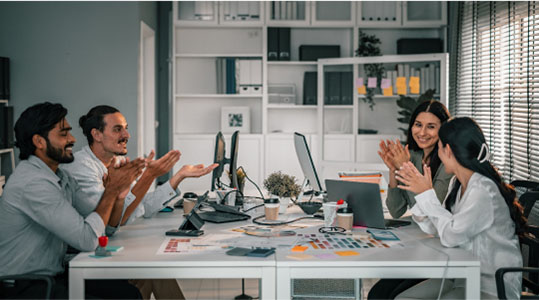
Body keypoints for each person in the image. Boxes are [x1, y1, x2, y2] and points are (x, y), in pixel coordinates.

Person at [61, 105, 217, 300]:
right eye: (118, 129)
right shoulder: (81, 168)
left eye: (126, 128)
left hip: (107, 249)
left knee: (158, 273)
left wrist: (178, 177)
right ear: (97, 134)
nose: (127, 134)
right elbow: (114, 223)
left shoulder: (117, 162)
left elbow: (141, 207)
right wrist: (149, 176)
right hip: (83, 258)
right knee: (155, 273)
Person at [0, 102, 145, 299]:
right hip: (24, 285)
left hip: (53, 275)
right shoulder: (33, 184)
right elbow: (88, 240)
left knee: (129, 293)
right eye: (63, 134)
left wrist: (118, 195)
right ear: (39, 141)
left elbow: (107, 229)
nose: (73, 139)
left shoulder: (60, 176)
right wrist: (110, 190)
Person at [394, 117, 525, 299]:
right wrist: (423, 195)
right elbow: (440, 227)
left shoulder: (483, 191)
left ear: (447, 150)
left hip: (490, 287)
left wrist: (427, 194)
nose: (437, 154)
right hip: (462, 278)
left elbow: (450, 236)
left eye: (439, 147)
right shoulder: (458, 184)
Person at [369, 100, 453, 299]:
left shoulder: (447, 163)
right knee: (378, 293)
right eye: (418, 124)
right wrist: (393, 170)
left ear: (443, 129)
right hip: (419, 244)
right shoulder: (412, 155)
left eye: (431, 126)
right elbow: (396, 210)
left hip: (438, 249)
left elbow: (429, 209)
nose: (422, 132)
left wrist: (405, 168)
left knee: (388, 296)